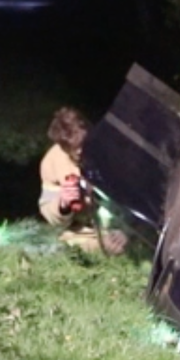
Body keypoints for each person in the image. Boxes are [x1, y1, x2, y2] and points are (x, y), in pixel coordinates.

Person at [38, 107, 127, 254]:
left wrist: (126, 231)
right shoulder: (52, 162)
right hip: (82, 233)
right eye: (72, 148)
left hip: (120, 225)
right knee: (71, 247)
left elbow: (137, 196)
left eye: (84, 144)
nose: (80, 152)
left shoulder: (115, 152)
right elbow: (48, 211)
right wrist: (63, 205)